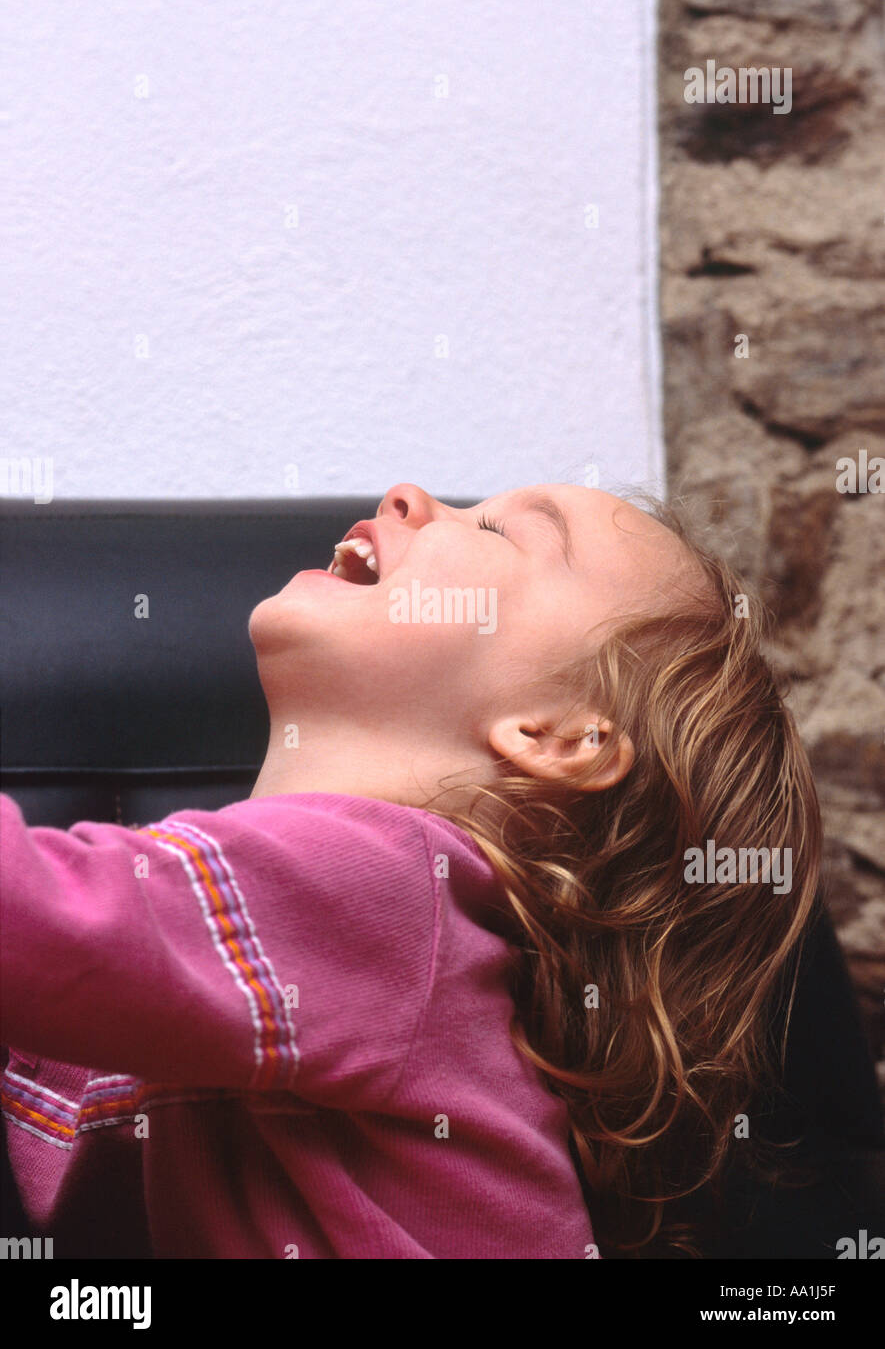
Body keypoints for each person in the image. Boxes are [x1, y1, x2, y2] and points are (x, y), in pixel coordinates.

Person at [0, 482, 821, 1258]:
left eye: (500, 531)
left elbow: (29, 923)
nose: (407, 495)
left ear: (556, 736)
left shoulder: (385, 888)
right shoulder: (372, 933)